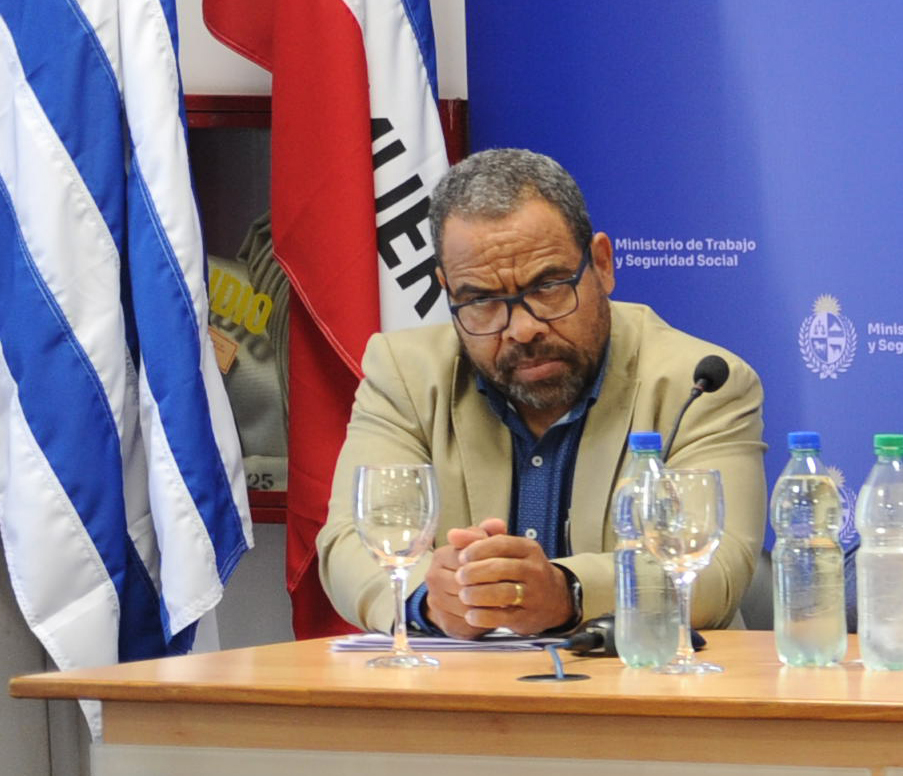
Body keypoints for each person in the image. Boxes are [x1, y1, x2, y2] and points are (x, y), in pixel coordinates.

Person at [314, 147, 762, 636]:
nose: (522, 329)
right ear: (448, 290)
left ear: (602, 264)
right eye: (482, 301)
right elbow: (350, 544)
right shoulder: (406, 374)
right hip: (466, 701)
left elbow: (718, 570)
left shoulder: (696, 383)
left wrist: (567, 591)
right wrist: (430, 598)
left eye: (547, 286)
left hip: (646, 697)